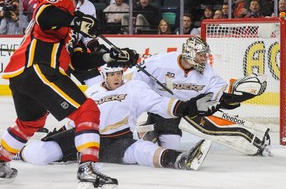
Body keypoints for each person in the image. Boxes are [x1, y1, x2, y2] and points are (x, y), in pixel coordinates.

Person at [0, 0, 139, 189]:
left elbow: (78, 62)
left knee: (30, 123)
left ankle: (1, 162)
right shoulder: (61, 0)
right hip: (39, 67)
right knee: (88, 110)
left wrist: (111, 58)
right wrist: (76, 20)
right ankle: (88, 169)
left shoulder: (66, 27)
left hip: (24, 75)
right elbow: (44, 15)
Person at [14, 64, 218, 171]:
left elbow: (160, 104)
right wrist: (61, 131)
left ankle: (179, 160)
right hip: (83, 139)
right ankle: (15, 152)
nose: (117, 78)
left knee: (143, 150)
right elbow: (75, 117)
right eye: (112, 74)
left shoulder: (135, 88)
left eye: (119, 73)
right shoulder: (92, 91)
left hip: (117, 140)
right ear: (104, 75)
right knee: (41, 154)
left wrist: (188, 107)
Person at [132, 36, 271, 156]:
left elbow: (218, 91)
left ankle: (254, 139)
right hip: (163, 109)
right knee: (159, 148)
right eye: (201, 55)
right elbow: (136, 85)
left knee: (172, 147)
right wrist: (155, 101)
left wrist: (238, 94)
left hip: (187, 109)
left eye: (205, 55)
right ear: (190, 53)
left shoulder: (207, 71)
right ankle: (148, 128)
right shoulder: (158, 63)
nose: (205, 58)